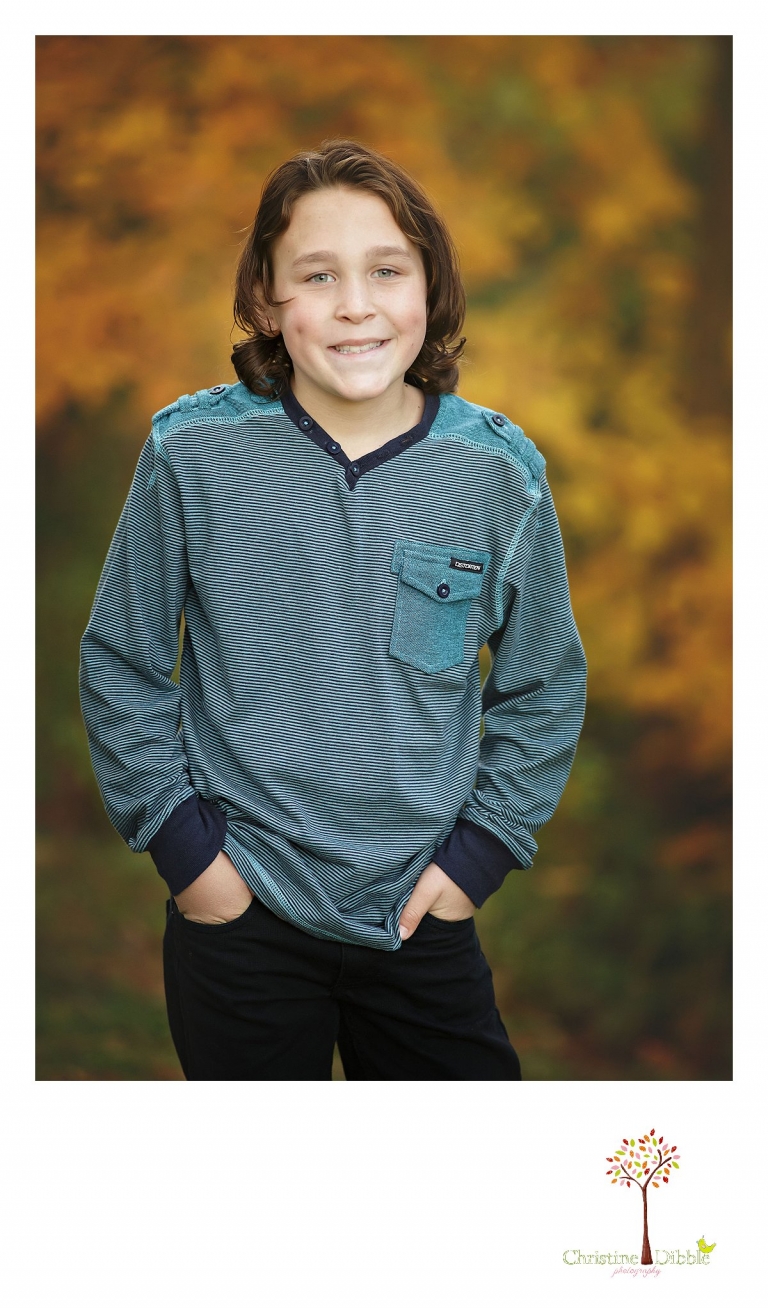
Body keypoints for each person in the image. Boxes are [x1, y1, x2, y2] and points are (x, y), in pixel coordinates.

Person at [79, 138, 587, 1081]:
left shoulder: (497, 476)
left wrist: (472, 864)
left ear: (428, 289)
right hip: (242, 911)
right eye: (318, 275)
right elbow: (124, 660)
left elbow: (544, 687)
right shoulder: (192, 454)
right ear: (269, 304)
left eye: (386, 270)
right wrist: (194, 862)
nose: (356, 304)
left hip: (418, 912)